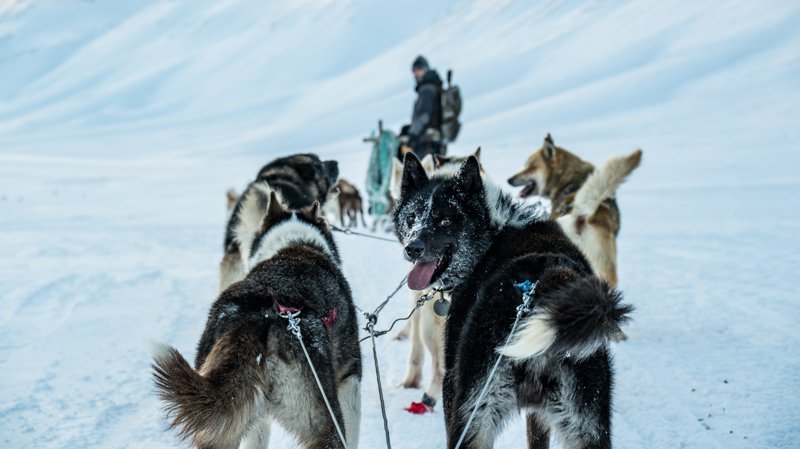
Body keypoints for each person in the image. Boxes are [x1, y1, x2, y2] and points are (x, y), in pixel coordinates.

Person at [402, 55, 445, 159]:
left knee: (422, 174)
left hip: (426, 143)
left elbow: (424, 116)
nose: (416, 74)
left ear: (426, 69)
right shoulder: (433, 87)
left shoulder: (427, 90)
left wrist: (412, 139)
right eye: (414, 71)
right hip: (435, 142)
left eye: (419, 69)